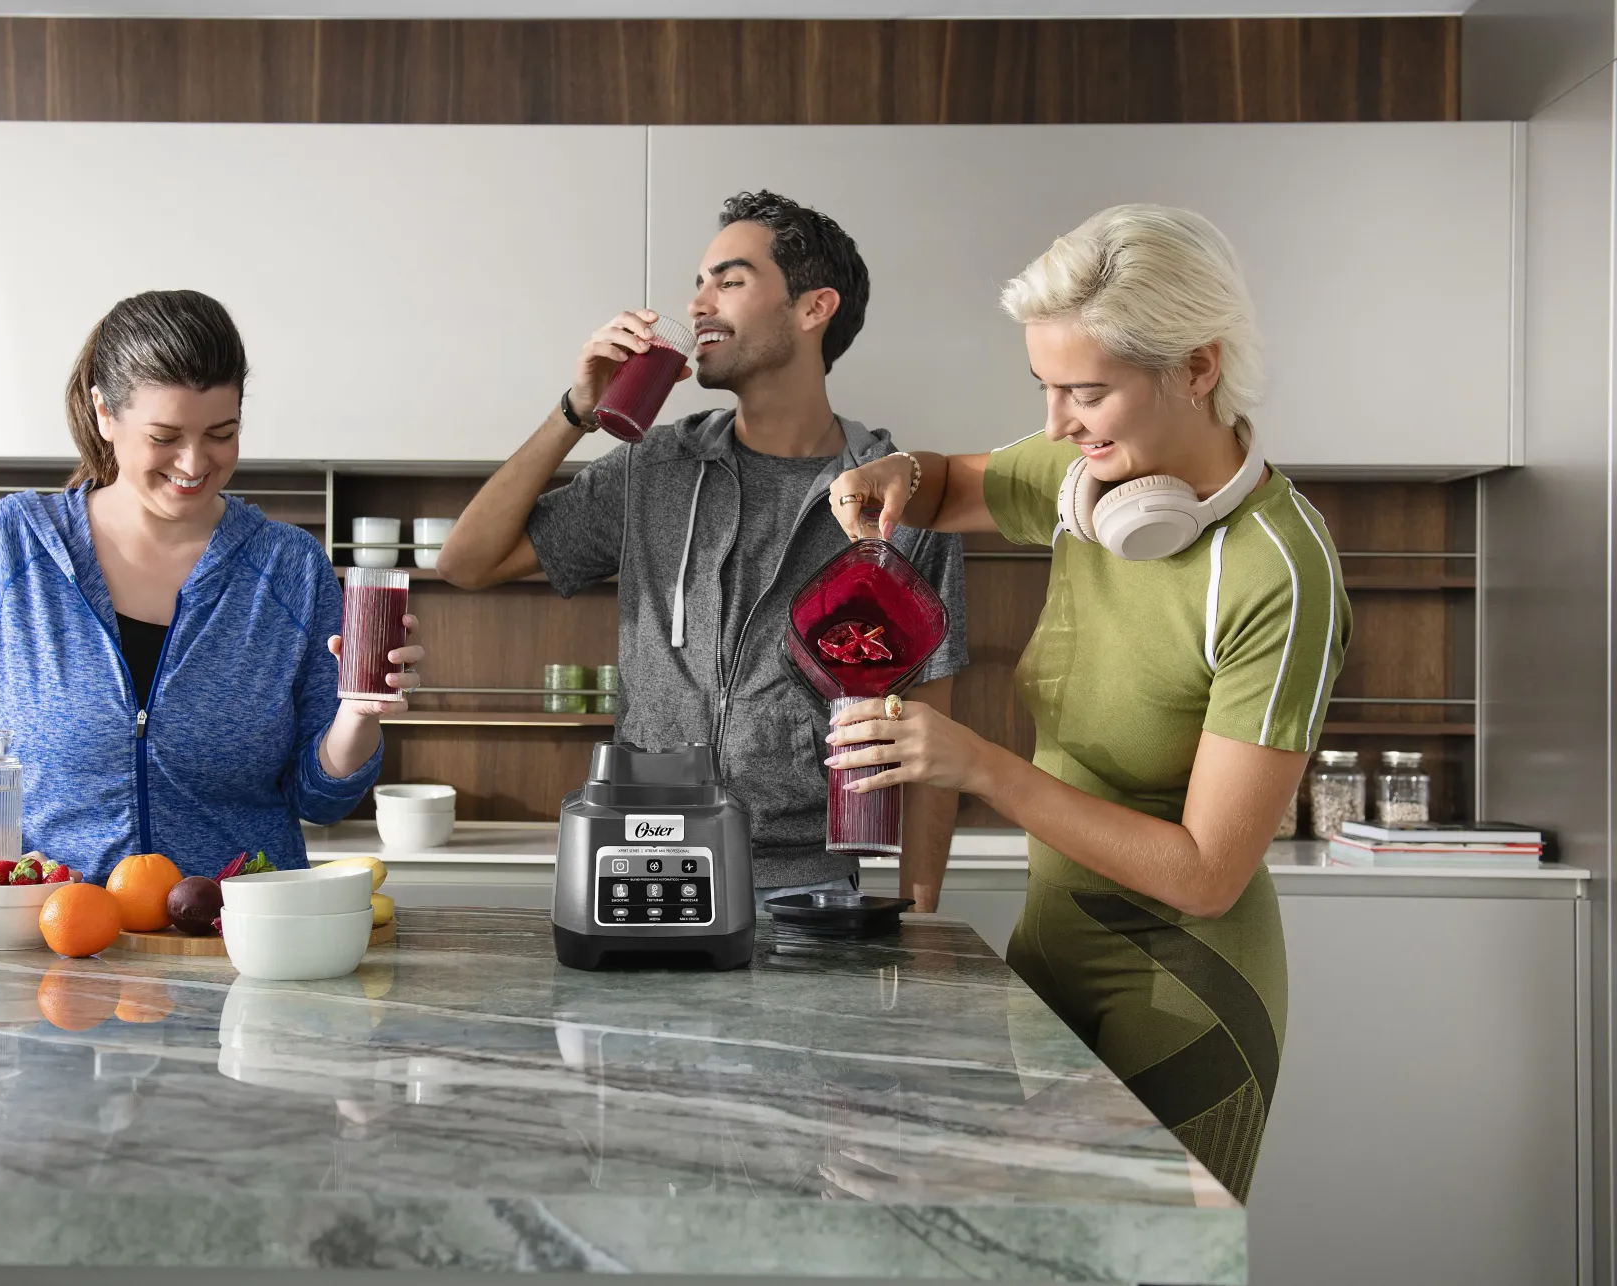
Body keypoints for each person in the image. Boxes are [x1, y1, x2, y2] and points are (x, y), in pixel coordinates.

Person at [824, 205, 1349, 1201]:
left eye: (1089, 391)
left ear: (1198, 367)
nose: (1060, 424)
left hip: (1190, 990)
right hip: (1051, 960)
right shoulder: (1095, 474)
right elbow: (946, 485)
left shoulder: (1278, 573)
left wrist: (978, 765)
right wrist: (902, 469)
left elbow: (1202, 875)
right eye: (1046, 388)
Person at [438, 190, 967, 909]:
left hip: (808, 887)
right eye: (698, 282)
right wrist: (576, 412)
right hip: (644, 863)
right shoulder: (654, 466)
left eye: (731, 280)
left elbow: (932, 735)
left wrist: (924, 915)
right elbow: (466, 563)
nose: (698, 305)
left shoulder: (900, 499)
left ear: (814, 308)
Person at [0, 290, 423, 881]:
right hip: (45, 938)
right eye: (164, 437)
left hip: (235, 945)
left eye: (221, 433)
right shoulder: (7, 547)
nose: (194, 463)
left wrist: (357, 717)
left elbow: (320, 801)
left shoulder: (290, 569)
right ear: (104, 413)